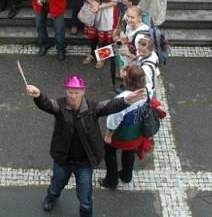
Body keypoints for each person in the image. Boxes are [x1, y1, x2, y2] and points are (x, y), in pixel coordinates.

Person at [26, 76, 145, 216]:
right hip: (63, 160)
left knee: (85, 194)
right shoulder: (60, 105)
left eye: (76, 93)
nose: (73, 96)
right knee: (57, 182)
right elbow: (47, 104)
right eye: (70, 92)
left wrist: (126, 100)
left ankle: (85, 212)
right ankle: (51, 197)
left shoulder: (92, 107)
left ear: (83, 92)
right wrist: (38, 95)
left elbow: (110, 106)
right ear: (66, 91)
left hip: (84, 162)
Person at [101, 65, 161, 189]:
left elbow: (114, 119)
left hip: (121, 134)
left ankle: (111, 180)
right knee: (129, 152)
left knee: (109, 152)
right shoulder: (147, 90)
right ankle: (126, 176)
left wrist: (108, 134)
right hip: (136, 131)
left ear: (127, 80)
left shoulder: (123, 98)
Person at [82, 0, 121, 69]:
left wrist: (99, 6)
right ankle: (93, 53)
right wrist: (92, 2)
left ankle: (102, 57)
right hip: (93, 11)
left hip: (107, 13)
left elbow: (114, 2)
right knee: (93, 35)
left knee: (104, 37)